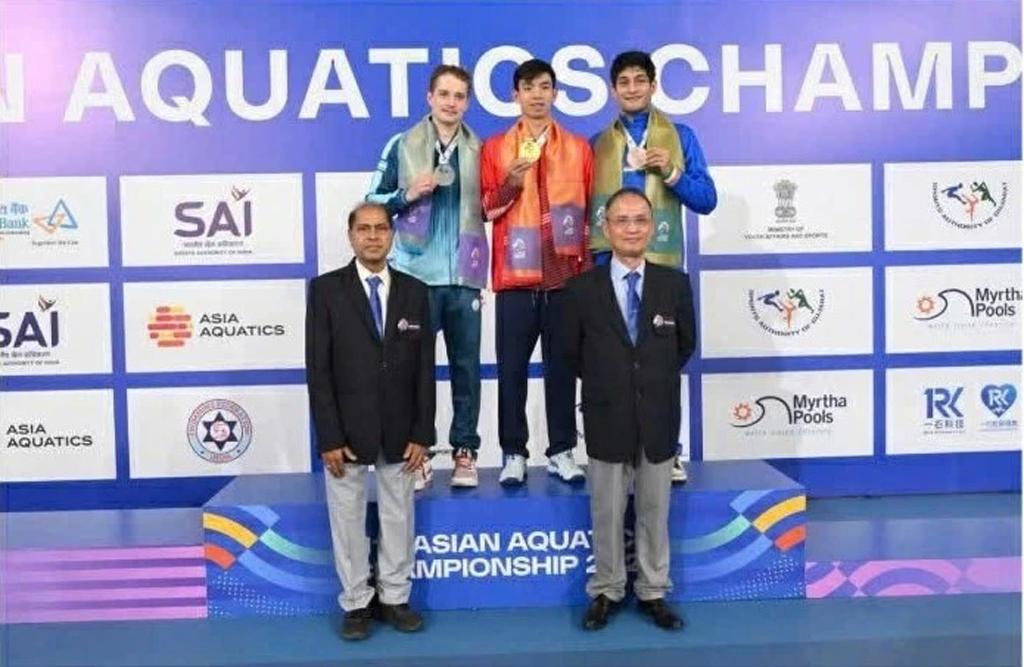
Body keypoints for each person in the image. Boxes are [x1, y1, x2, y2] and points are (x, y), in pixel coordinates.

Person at [562, 188, 696, 631]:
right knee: (606, 509)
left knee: (655, 510)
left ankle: (653, 591)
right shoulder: (581, 289)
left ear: (652, 225)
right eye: (622, 220)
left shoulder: (674, 283)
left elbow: (683, 346)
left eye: (640, 220)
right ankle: (606, 589)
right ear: (606, 227)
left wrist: (647, 382)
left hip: (658, 415)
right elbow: (571, 356)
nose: (632, 228)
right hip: (605, 414)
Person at [305, 202, 435, 641]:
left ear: (392, 236)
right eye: (364, 229)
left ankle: (395, 597)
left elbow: (425, 369)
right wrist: (328, 435)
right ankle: (357, 603)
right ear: (351, 236)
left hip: (402, 430)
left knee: (399, 517)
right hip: (345, 431)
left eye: (381, 229)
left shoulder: (415, 292)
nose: (373, 236)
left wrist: (423, 432)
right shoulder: (326, 291)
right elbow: (318, 371)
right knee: (347, 520)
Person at [590, 50, 717, 483]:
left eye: (639, 80)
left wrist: (674, 173)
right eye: (623, 82)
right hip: (609, 266)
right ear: (612, 89)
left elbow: (707, 199)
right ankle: (616, 454)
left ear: (653, 85)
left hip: (661, 267)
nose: (631, 88)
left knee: (662, 365)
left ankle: (669, 451)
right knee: (612, 368)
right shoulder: (599, 143)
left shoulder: (680, 136)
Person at [366, 64, 486, 490]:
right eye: (445, 94)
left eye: (459, 96)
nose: (452, 103)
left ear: (467, 103)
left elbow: (493, 206)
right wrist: (407, 194)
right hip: (415, 274)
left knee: (466, 369)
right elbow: (371, 202)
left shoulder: (479, 149)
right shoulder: (402, 144)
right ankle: (417, 453)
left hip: (465, 274)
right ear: (429, 98)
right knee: (412, 370)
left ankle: (465, 451)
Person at [480, 58, 593, 486]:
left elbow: (590, 214)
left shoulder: (579, 148)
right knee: (511, 370)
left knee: (562, 368)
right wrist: (510, 180)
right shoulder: (495, 148)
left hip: (566, 278)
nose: (537, 95)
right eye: (528, 87)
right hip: (515, 278)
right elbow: (486, 209)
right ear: (515, 95)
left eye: (545, 86)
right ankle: (513, 453)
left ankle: (562, 450)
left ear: (556, 93)